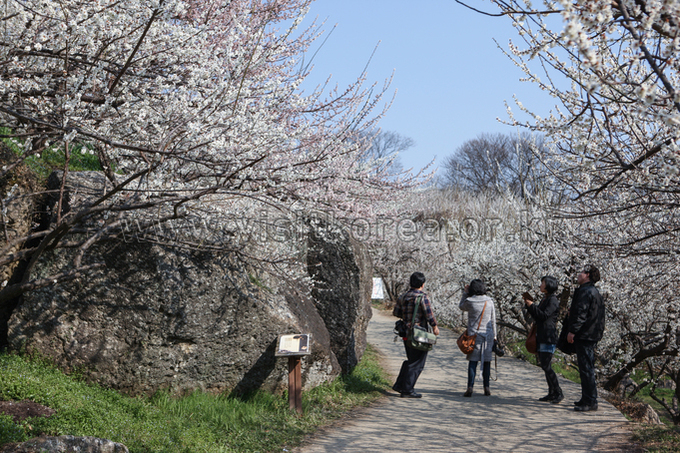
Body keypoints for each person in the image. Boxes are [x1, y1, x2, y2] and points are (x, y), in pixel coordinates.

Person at [392, 272, 440, 398]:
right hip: (419, 333)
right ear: (422, 284)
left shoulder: (403, 296)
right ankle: (407, 390)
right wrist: (435, 327)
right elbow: (429, 314)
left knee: (411, 359)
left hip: (406, 332)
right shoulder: (422, 297)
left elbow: (396, 313)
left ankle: (399, 385)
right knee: (418, 362)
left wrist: (408, 317)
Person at [567, 265, 606, 412]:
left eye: (582, 272)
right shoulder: (594, 292)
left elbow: (581, 314)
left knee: (586, 368)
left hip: (585, 335)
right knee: (586, 367)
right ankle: (586, 398)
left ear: (588, 275)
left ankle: (590, 401)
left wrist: (572, 331)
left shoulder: (585, 291)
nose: (579, 274)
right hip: (591, 334)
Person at [524, 275, 563, 403]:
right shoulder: (545, 299)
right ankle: (551, 392)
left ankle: (558, 392)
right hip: (542, 335)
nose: (540, 285)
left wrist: (531, 305)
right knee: (544, 365)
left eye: (543, 283)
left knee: (546, 365)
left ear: (548, 285)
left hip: (548, 336)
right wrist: (529, 305)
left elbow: (544, 315)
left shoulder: (553, 300)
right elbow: (537, 315)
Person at [459, 279, 497, 397]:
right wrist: (495, 336)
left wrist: (465, 293)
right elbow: (493, 320)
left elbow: (461, 306)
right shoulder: (490, 301)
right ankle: (486, 388)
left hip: (474, 336)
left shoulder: (470, 301)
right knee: (486, 363)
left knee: (473, 362)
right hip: (488, 336)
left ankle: (470, 387)